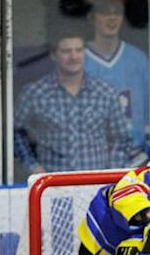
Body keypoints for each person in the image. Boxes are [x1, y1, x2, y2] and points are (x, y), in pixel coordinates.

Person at [13, 27, 132, 174]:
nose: (74, 56)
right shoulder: (35, 93)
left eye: (78, 50)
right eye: (66, 51)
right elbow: (16, 133)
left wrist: (109, 174)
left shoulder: (105, 92)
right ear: (53, 55)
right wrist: (32, 166)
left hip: (96, 183)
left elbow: (121, 139)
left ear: (85, 52)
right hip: (51, 182)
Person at [84, 0, 150, 155]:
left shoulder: (138, 58)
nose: (112, 18)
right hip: (91, 155)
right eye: (105, 12)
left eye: (117, 13)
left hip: (135, 153)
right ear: (91, 18)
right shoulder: (77, 58)